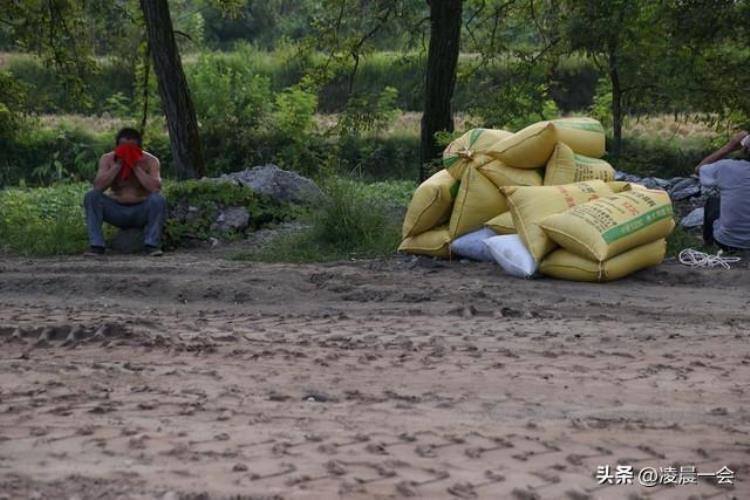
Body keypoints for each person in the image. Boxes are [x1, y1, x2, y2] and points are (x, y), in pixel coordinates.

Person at [83, 127, 166, 257]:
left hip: (140, 210)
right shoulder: (107, 159)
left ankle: (151, 245)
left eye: (131, 149)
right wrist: (118, 166)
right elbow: (98, 187)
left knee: (158, 199)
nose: (127, 151)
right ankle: (97, 245)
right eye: (123, 148)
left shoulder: (150, 161)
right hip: (116, 210)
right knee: (91, 196)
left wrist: (135, 166)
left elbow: (155, 188)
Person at [694, 130, 750, 251]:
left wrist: (729, 147)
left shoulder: (727, 167)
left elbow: (699, 169)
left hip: (727, 242)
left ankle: (708, 244)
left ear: (744, 150)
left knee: (713, 201)